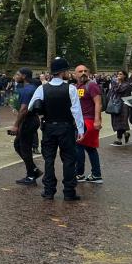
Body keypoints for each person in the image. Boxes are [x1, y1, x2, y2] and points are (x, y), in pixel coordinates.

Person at [29, 58, 84, 200]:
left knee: (48, 159)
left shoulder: (42, 88)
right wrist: (81, 130)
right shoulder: (71, 89)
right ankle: (69, 191)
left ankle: (49, 191)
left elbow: (31, 106)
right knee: (69, 159)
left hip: (48, 128)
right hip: (66, 128)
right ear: (63, 72)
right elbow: (76, 111)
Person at [8, 68, 42, 185]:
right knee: (18, 145)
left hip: (28, 120)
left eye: (17, 74)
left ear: (24, 76)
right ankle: (33, 170)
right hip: (29, 120)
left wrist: (16, 125)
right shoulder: (27, 88)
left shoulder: (28, 90)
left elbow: (23, 110)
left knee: (24, 147)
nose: (15, 76)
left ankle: (31, 175)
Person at [74, 64, 103, 184]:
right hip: (82, 121)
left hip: (88, 121)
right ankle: (96, 174)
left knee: (79, 146)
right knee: (90, 148)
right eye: (80, 71)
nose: (83, 73)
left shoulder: (91, 85)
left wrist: (97, 120)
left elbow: (98, 103)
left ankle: (79, 174)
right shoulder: (77, 86)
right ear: (75, 74)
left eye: (85, 70)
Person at [107, 70, 132, 146]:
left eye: (121, 74)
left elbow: (118, 90)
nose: (119, 75)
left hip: (123, 105)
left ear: (125, 76)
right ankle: (125, 133)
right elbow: (111, 92)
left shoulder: (127, 84)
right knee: (116, 121)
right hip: (115, 104)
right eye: (118, 74)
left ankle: (119, 139)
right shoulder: (115, 83)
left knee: (121, 121)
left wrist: (117, 82)